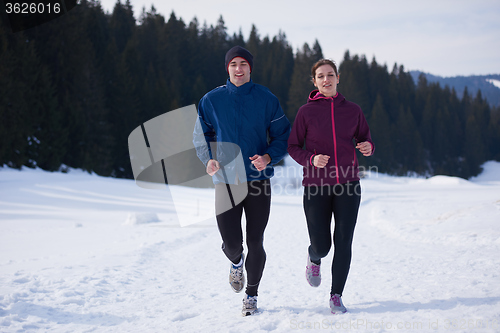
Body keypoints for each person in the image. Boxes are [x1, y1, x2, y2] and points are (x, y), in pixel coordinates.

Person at [193, 46, 291, 316]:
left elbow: (284, 135)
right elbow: (201, 134)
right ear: (228, 68)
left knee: (256, 241)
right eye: (234, 64)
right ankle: (236, 263)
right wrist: (208, 159)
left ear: (250, 68)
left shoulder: (266, 99)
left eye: (243, 64)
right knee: (233, 244)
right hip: (226, 181)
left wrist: (269, 157)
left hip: (258, 181)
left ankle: (252, 295)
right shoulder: (212, 100)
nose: (239, 69)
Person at [287, 58, 374, 314]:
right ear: (314, 82)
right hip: (316, 186)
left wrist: (368, 146)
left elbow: (364, 138)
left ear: (338, 78)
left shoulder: (353, 110)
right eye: (321, 76)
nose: (326, 80)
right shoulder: (306, 112)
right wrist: (311, 159)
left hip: (349, 184)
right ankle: (313, 257)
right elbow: (293, 147)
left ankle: (336, 295)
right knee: (323, 245)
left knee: (344, 241)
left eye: (331, 75)